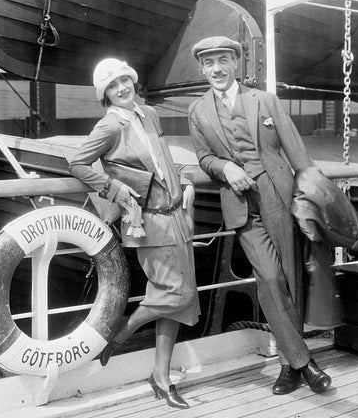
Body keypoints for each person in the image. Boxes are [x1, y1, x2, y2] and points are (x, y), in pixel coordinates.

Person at [188, 36, 332, 396]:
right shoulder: (198, 111)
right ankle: (304, 362)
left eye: (223, 60)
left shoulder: (264, 100)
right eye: (209, 63)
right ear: (202, 68)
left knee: (292, 279)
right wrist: (224, 168)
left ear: (236, 64)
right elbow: (204, 158)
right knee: (269, 278)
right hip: (239, 202)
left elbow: (297, 152)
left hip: (279, 193)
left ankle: (288, 366)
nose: (216, 69)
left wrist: (313, 198)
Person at [69, 58, 199, 409]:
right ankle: (122, 331)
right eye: (113, 86)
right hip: (148, 223)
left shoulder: (148, 115)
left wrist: (184, 180)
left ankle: (161, 377)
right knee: (176, 294)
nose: (122, 88)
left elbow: (163, 161)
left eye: (125, 80)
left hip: (177, 218)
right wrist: (111, 187)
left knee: (176, 299)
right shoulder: (109, 127)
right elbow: (77, 163)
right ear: (105, 95)